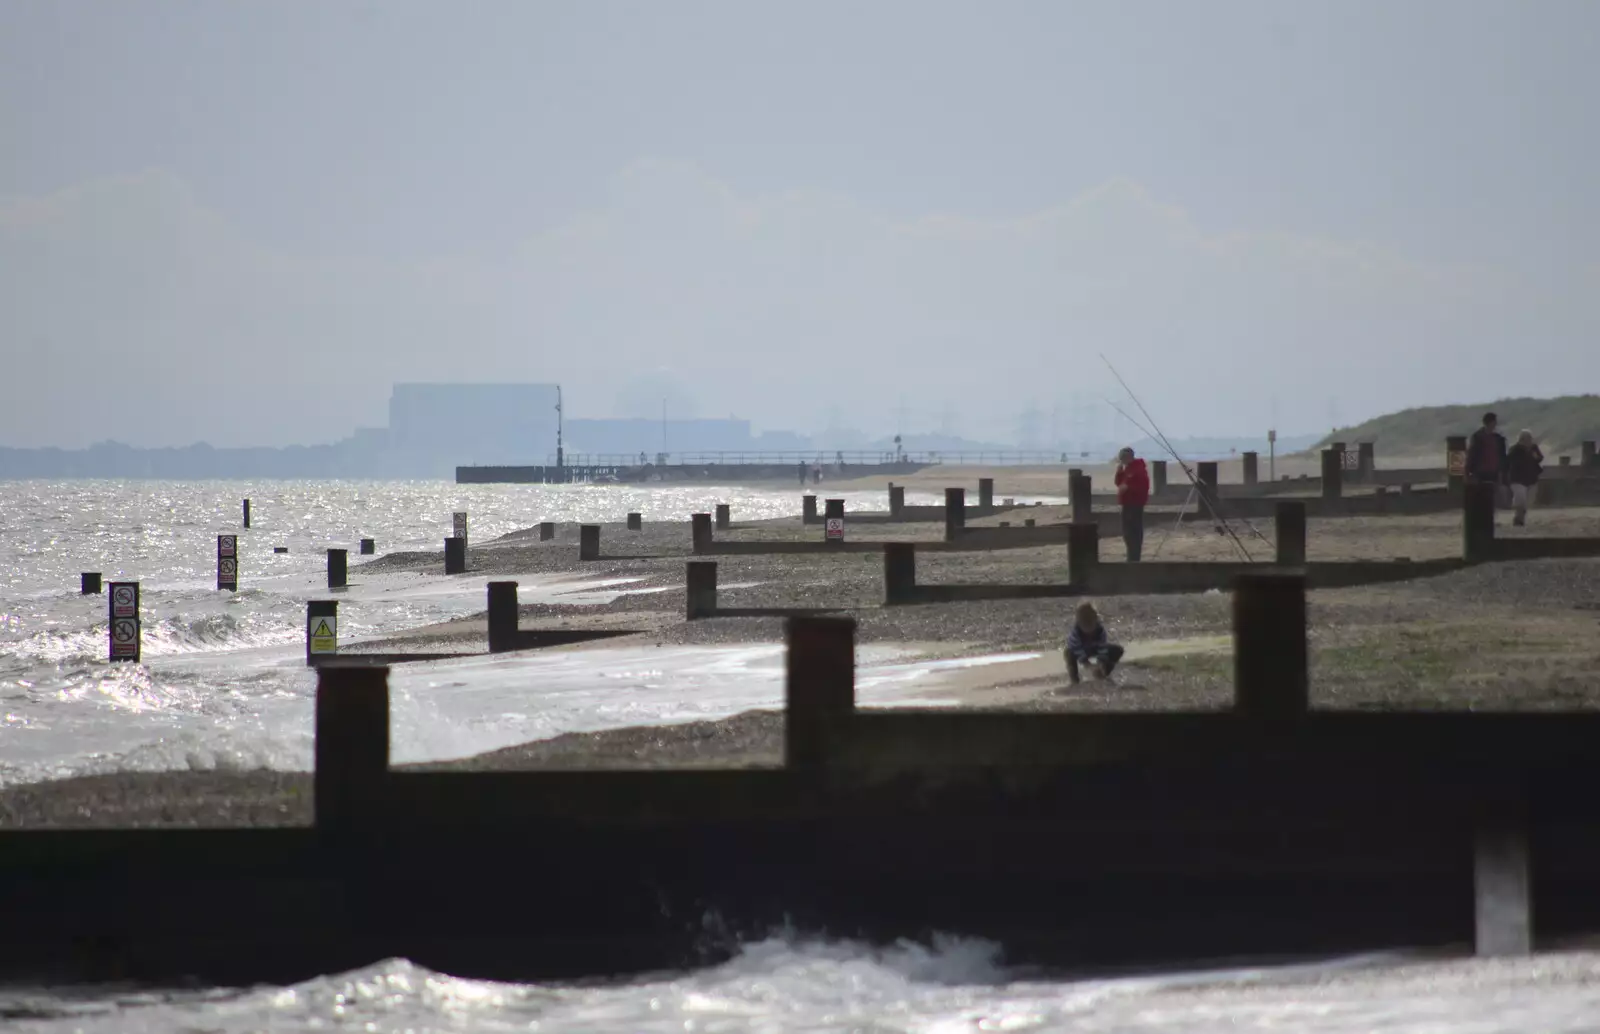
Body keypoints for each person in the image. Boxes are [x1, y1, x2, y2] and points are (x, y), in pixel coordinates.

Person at [1065, 601, 1125, 684]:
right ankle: (1074, 680)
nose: (1089, 634)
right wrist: (1088, 665)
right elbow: (1076, 649)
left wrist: (1100, 663)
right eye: (1086, 630)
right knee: (1068, 653)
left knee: (1117, 650)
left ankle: (1104, 673)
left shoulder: (1100, 630)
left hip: (1095, 649)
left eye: (1091, 629)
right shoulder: (1075, 633)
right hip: (1079, 651)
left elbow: (1102, 648)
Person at [1464, 411, 1509, 506]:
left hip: (1493, 471)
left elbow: (1502, 456)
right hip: (1481, 471)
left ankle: (1489, 516)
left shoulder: (1498, 438)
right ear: (1490, 422)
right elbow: (1472, 454)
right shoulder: (1478, 437)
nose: (1495, 424)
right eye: (1494, 422)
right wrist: (1467, 472)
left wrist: (1502, 471)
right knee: (1482, 495)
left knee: (1492, 496)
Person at [1113, 446, 1150, 562]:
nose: (1122, 461)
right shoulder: (1127, 469)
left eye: (1122, 459)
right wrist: (1119, 473)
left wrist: (1128, 488)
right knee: (1127, 532)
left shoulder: (1138, 469)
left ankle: (1134, 557)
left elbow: (1143, 486)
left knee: (1133, 532)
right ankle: (1131, 555)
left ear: (1128, 458)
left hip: (1135, 504)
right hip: (1126, 504)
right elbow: (1119, 483)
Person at [1506, 429, 1544, 526]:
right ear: (1522, 439)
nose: (1529, 441)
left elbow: (1540, 458)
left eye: (1530, 439)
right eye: (1527, 439)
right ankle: (1518, 520)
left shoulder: (1534, 448)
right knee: (1520, 499)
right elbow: (1508, 461)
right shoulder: (1514, 449)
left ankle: (1520, 518)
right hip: (1517, 479)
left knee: (1528, 502)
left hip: (1531, 478)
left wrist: (1536, 457)